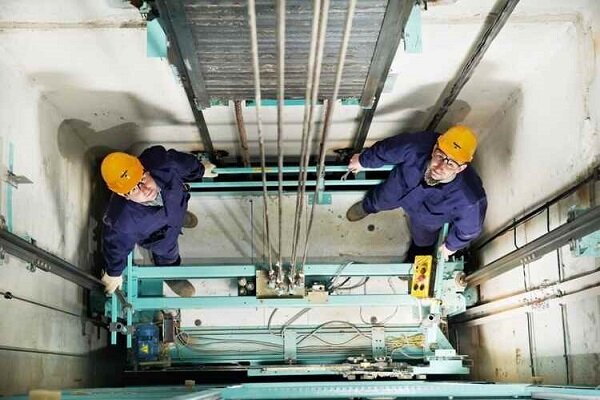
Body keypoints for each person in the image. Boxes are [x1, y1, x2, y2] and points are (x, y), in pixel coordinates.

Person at [346, 125, 487, 261]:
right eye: (440, 156)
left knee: (423, 240)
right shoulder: (418, 145)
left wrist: (452, 246)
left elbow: (470, 229)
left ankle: (416, 256)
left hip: (427, 218)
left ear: (460, 168)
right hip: (400, 186)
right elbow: (388, 149)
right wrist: (363, 161)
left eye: (450, 164)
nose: (440, 167)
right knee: (380, 199)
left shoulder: (469, 198)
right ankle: (367, 207)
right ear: (434, 149)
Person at [99, 146, 217, 297]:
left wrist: (200, 170)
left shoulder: (162, 162)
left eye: (142, 179)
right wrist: (114, 272)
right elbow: (116, 247)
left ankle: (180, 218)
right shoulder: (123, 222)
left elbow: (184, 163)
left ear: (144, 169)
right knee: (168, 253)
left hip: (176, 206)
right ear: (123, 195)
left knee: (177, 211)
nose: (144, 190)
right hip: (161, 237)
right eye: (134, 189)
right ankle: (170, 272)